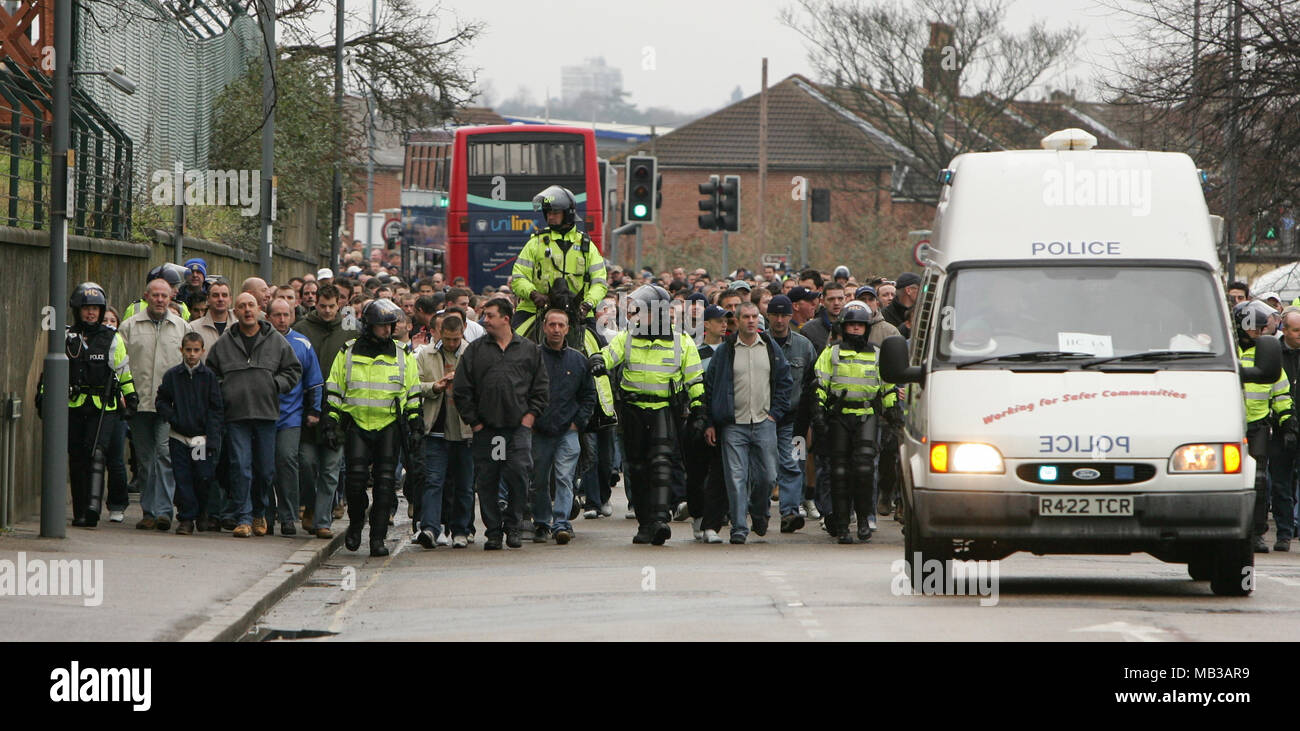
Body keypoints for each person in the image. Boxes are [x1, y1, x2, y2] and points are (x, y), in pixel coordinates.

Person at [591, 284, 704, 545]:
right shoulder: (626, 337)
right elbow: (609, 355)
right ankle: (645, 523)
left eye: (641, 310)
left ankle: (660, 519)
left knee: (661, 463)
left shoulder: (682, 341)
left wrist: (699, 407)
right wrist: (597, 361)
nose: (636, 315)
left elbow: (695, 378)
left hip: (664, 409)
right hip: (633, 411)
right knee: (637, 467)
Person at [325, 299, 422, 556]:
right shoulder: (347, 352)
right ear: (368, 326)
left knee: (385, 484)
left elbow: (412, 392)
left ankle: (377, 539)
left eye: (390, 326)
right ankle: (356, 522)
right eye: (382, 326)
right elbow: (335, 387)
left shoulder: (403, 355)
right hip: (356, 423)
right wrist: (331, 421)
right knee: (355, 482)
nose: (387, 331)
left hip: (388, 426)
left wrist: (416, 425)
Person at [453, 298, 549, 550]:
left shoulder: (528, 349)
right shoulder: (475, 350)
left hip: (517, 430)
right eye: (484, 315)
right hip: (488, 430)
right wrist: (474, 423)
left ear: (506, 319)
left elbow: (541, 387)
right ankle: (493, 531)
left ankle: (514, 526)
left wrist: (530, 418)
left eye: (491, 315)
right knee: (488, 480)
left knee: (518, 475)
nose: (485, 320)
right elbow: (462, 389)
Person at [41, 282, 137, 528]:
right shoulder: (65, 336)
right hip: (73, 405)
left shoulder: (112, 338)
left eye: (96, 308)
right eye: (86, 308)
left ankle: (93, 508)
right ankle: (80, 511)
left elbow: (123, 372)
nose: (91, 313)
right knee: (76, 456)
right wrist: (43, 396)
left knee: (96, 453)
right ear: (77, 310)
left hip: (103, 406)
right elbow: (50, 373)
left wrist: (131, 396)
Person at [206, 293, 302, 538]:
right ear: (234, 311)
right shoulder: (224, 343)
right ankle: (244, 517)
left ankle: (260, 512)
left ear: (259, 309)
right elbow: (210, 374)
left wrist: (275, 384)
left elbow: (293, 369)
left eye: (251, 305)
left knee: (265, 469)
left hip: (266, 415)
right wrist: (225, 390)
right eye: (242, 307)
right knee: (240, 466)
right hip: (236, 416)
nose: (247, 310)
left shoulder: (276, 341)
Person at [702, 302, 793, 544]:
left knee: (768, 476)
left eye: (755, 316)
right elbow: (710, 388)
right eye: (746, 317)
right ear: (738, 321)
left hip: (764, 421)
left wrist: (775, 413)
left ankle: (759, 511)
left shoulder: (770, 348)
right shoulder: (726, 350)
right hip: (733, 424)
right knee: (736, 477)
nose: (751, 321)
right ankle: (739, 527)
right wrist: (711, 422)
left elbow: (785, 381)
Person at [811, 306, 898, 543]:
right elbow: (819, 384)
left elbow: (888, 386)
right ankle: (841, 525)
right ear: (844, 327)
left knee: (864, 470)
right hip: (839, 417)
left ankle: (863, 520)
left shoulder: (878, 354)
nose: (856, 328)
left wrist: (893, 411)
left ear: (867, 327)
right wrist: (818, 411)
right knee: (838, 472)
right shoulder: (832, 352)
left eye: (860, 324)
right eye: (851, 324)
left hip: (866, 415)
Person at [119, 278, 193, 530]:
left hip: (168, 406)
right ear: (146, 296)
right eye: (155, 295)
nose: (160, 300)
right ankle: (148, 511)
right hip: (138, 403)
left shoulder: (181, 327)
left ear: (171, 297)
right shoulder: (129, 327)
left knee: (164, 454)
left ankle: (163, 511)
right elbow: (119, 365)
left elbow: (188, 367)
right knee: (145, 458)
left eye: (164, 295)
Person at [293, 283, 358, 538]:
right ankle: (309, 505)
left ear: (339, 304)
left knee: (331, 469)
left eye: (332, 306)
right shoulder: (301, 329)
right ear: (315, 303)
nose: (328, 311)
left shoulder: (350, 329)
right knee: (306, 463)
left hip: (338, 410)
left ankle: (322, 520)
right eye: (323, 306)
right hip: (307, 408)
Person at [528, 309, 596, 545]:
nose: (556, 329)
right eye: (552, 325)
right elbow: (522, 391)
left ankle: (561, 523)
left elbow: (589, 395)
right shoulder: (532, 357)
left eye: (561, 325)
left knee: (565, 477)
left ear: (568, 329)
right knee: (539, 480)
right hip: (539, 430)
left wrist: (579, 422)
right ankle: (541, 521)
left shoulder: (578, 360)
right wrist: (530, 420)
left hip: (568, 430)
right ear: (544, 327)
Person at [1234, 300, 1294, 553]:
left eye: (1260, 328)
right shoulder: (1229, 354)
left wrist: (1288, 422)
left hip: (1257, 427)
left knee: (1259, 483)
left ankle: (1256, 534)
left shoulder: (1267, 355)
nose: (1257, 332)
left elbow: (1281, 394)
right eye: (1252, 328)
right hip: (1228, 427)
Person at [509, 186, 608, 336]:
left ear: (568, 214)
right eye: (548, 213)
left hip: (579, 312)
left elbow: (599, 282)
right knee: (510, 344)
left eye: (555, 213)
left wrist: (587, 304)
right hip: (534, 310)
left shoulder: (587, 246)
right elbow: (518, 277)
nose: (550, 217)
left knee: (601, 346)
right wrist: (534, 294)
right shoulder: (535, 243)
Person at [415, 312, 475, 549]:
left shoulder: (472, 353)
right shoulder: (425, 354)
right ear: (440, 334)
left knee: (464, 483)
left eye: (455, 339)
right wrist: (435, 386)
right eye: (448, 339)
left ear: (462, 334)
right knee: (434, 481)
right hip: (435, 428)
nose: (451, 344)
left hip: (464, 428)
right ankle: (430, 528)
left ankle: (460, 530)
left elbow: (481, 385)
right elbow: (414, 385)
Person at [154, 333, 224, 535]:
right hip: (179, 437)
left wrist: (211, 436)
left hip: (199, 439)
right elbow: (162, 400)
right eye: (188, 350)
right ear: (181, 350)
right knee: (182, 476)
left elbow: (216, 408)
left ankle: (201, 511)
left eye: (196, 350)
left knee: (202, 476)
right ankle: (186, 518)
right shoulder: (173, 376)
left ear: (203, 351)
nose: (192, 355)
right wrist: (172, 417)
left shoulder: (209, 377)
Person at [269, 298, 323, 536]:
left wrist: (314, 411)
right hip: (262, 414)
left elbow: (315, 382)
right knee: (264, 467)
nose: (282, 319)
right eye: (277, 315)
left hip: (291, 415)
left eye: (286, 314)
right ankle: (265, 514)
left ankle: (289, 516)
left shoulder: (302, 344)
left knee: (287, 459)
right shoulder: (261, 341)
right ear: (268, 316)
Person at [766, 295, 817, 532]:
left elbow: (812, 384)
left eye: (783, 315)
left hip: (794, 421)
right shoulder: (759, 343)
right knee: (763, 469)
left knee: (794, 463)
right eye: (775, 315)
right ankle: (758, 511)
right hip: (762, 419)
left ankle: (790, 512)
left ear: (790, 316)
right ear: (768, 316)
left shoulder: (804, 346)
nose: (779, 320)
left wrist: (810, 418)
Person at [1271, 309, 1300, 552]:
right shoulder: (1273, 354)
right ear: (1285, 330)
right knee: (1280, 484)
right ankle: (1284, 534)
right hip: (1280, 429)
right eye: (1296, 330)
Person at [125, 263, 191, 321]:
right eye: (171, 286)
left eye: (176, 286)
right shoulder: (135, 307)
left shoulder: (181, 306)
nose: (177, 290)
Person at [800, 281, 846, 352]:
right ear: (822, 301)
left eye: (840, 299)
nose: (836, 303)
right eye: (831, 299)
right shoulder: (809, 330)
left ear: (845, 299)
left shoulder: (854, 327)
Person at [884, 272, 921, 339]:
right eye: (921, 289)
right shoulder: (884, 316)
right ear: (908, 290)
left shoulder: (922, 313)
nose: (923, 293)